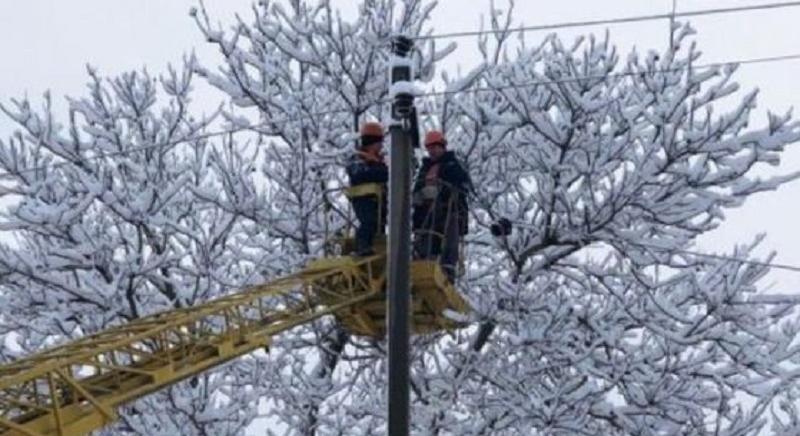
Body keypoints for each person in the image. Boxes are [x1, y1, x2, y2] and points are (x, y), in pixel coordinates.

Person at [412, 130, 473, 281]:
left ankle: (448, 268)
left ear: (442, 147)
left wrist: (444, 189)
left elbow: (464, 185)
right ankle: (424, 260)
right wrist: (419, 194)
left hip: (449, 210)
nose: (432, 151)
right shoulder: (425, 169)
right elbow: (417, 187)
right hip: (426, 212)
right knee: (426, 238)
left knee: (448, 238)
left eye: (435, 147)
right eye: (429, 148)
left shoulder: (453, 165)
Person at [346, 122, 388, 256]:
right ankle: (363, 246)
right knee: (369, 221)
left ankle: (374, 247)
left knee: (378, 225)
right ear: (372, 142)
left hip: (378, 199)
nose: (381, 146)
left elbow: (385, 175)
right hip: (363, 198)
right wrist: (377, 171)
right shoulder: (357, 159)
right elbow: (360, 175)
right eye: (379, 143)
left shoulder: (378, 160)